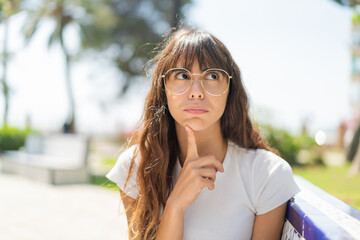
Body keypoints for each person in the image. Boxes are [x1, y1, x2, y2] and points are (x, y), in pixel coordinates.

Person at [106, 28, 301, 240]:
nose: (196, 91)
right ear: (163, 87)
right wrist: (175, 205)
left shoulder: (266, 174)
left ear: (229, 88)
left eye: (212, 75)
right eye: (182, 75)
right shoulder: (135, 167)